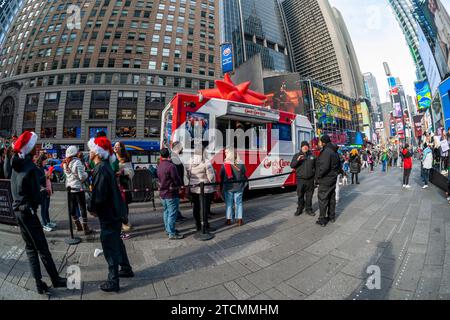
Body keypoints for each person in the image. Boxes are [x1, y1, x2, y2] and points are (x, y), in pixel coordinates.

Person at [10, 131, 66, 294]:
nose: (38, 147)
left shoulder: (16, 164)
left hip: (18, 212)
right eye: (35, 145)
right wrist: (43, 192)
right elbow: (36, 197)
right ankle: (55, 279)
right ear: (30, 148)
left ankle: (38, 282)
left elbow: (18, 187)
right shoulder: (30, 168)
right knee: (42, 248)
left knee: (30, 248)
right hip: (28, 212)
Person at [87, 136, 134, 292]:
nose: (89, 152)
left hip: (109, 213)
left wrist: (91, 208)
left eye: (91, 149)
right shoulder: (105, 166)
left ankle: (113, 281)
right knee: (117, 242)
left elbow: (99, 195)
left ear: (98, 152)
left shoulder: (100, 168)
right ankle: (126, 268)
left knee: (109, 246)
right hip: (115, 211)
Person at [63, 146, 92, 235]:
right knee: (82, 207)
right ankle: (85, 228)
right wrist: (87, 173)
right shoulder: (77, 162)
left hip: (70, 188)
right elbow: (82, 177)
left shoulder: (65, 163)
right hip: (78, 188)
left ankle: (77, 225)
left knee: (72, 207)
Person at [186, 147, 216, 231]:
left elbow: (188, 175)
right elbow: (211, 177)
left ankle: (198, 225)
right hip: (205, 189)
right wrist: (213, 182)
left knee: (196, 207)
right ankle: (205, 225)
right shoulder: (206, 162)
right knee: (204, 207)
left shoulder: (189, 162)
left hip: (194, 188)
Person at [157, 148, 184, 240]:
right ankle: (172, 233)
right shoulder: (171, 166)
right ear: (169, 155)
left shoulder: (159, 165)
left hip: (162, 193)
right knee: (172, 213)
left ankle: (168, 229)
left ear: (161, 156)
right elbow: (176, 179)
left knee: (166, 212)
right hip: (171, 193)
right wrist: (180, 186)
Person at [315, 135, 340, 226]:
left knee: (323, 199)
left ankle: (322, 219)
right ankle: (331, 217)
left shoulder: (326, 152)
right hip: (333, 178)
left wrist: (318, 177)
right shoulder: (334, 151)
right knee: (331, 198)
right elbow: (338, 166)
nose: (319, 143)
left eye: (320, 141)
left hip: (325, 179)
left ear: (323, 142)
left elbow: (324, 167)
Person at [220, 148, 247, 226]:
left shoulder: (225, 164)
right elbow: (244, 173)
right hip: (239, 187)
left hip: (228, 188)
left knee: (229, 203)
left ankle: (228, 220)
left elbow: (221, 175)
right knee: (239, 203)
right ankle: (239, 220)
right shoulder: (241, 163)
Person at [290, 141, 316, 217]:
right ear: (301, 147)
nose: (305, 147)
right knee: (300, 195)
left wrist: (316, 178)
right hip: (300, 179)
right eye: (303, 146)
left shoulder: (312, 156)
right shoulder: (296, 155)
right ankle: (300, 209)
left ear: (308, 147)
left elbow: (316, 167)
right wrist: (298, 159)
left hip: (310, 180)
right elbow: (292, 165)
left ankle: (309, 209)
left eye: (306, 146)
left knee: (309, 196)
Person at [115, 142, 134, 238]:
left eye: (118, 146)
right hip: (114, 184)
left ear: (122, 148)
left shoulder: (126, 158)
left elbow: (131, 172)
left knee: (124, 204)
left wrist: (122, 172)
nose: (116, 148)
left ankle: (125, 222)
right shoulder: (112, 158)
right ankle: (119, 223)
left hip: (123, 184)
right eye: (115, 146)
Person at [36, 154, 56, 232]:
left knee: (47, 207)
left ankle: (48, 221)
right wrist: (46, 175)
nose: (46, 162)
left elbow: (49, 178)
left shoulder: (45, 167)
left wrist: (50, 175)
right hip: (42, 190)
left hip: (48, 189)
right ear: (41, 161)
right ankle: (44, 224)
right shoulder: (38, 168)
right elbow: (39, 180)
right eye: (45, 161)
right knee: (43, 208)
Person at [171, 141, 188, 222]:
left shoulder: (174, 156)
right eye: (181, 147)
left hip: (175, 185)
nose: (182, 148)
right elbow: (176, 174)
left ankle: (178, 215)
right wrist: (180, 185)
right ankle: (176, 217)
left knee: (176, 202)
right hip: (175, 185)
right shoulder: (174, 158)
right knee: (175, 202)